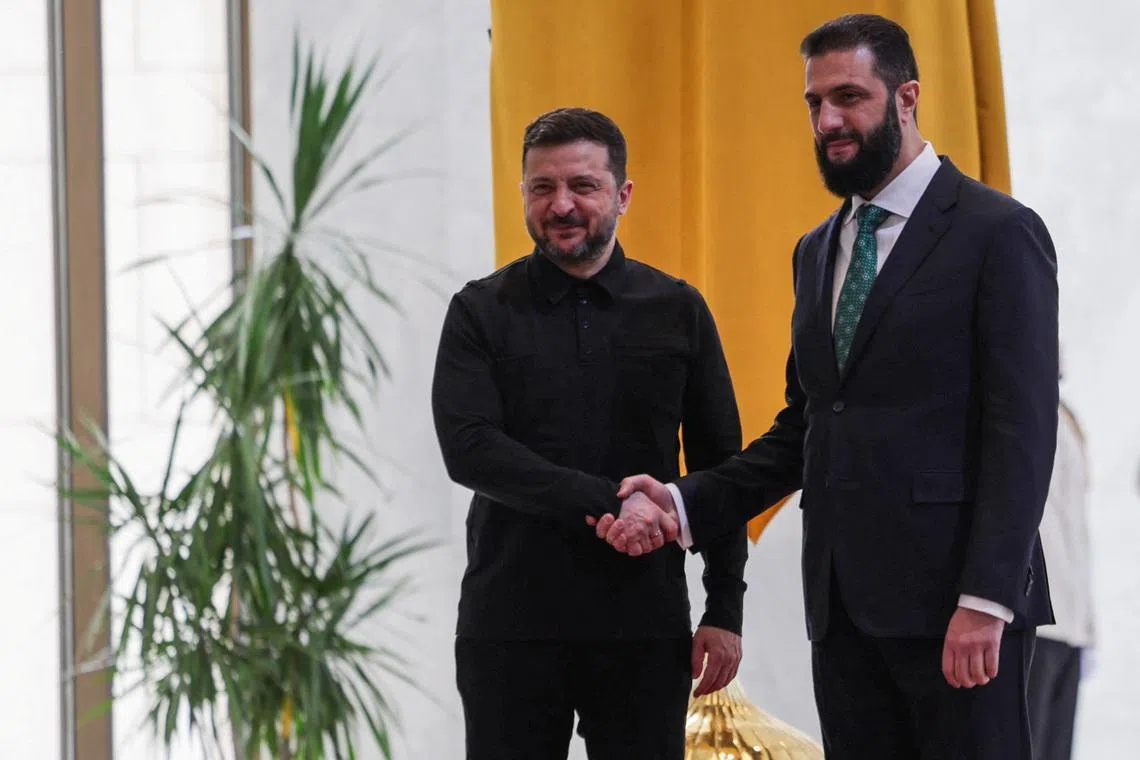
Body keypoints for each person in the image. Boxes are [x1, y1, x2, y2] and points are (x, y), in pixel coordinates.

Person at [597, 14, 1059, 760]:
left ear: (906, 98)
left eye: (849, 96)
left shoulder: (997, 232)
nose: (829, 120)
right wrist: (682, 500)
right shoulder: (817, 251)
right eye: (815, 103)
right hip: (842, 616)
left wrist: (986, 600)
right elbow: (808, 427)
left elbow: (1023, 430)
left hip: (958, 618)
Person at [431, 106, 748, 760]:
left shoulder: (679, 310)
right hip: (510, 626)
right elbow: (470, 450)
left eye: (584, 186)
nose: (562, 204)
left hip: (645, 627)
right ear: (522, 193)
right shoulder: (478, 311)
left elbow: (723, 466)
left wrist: (724, 608)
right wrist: (610, 500)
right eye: (542, 187)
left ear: (623, 194)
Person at [1028, 396, 1096, 760]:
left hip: (1070, 627)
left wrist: (1089, 627)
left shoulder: (1066, 414)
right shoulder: (1017, 404)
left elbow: (1077, 532)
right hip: (1034, 619)